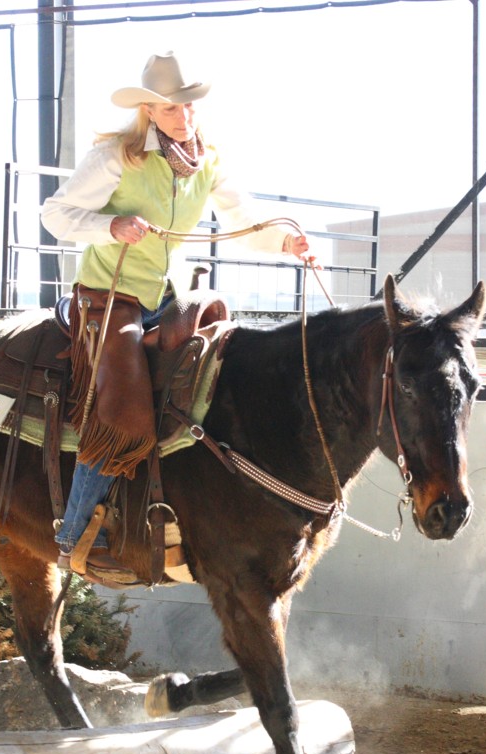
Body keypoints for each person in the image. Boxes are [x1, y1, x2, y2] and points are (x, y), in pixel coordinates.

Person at [41, 51, 309, 571]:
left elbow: (243, 218)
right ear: (148, 111)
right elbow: (55, 215)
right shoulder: (116, 157)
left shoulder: (208, 161)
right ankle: (75, 535)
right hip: (111, 297)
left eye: (188, 107)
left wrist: (285, 243)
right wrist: (110, 227)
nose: (183, 118)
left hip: (171, 295)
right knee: (121, 411)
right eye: (169, 109)